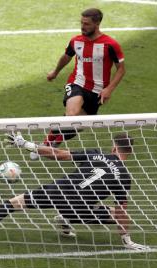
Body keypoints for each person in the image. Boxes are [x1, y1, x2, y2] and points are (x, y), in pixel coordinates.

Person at [0, 132, 149, 251]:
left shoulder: (96, 154)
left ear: (113, 148)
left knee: (14, 203)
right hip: (78, 206)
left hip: (58, 190)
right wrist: (127, 240)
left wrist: (27, 145)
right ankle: (65, 218)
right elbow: (122, 213)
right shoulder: (124, 177)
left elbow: (58, 154)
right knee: (116, 213)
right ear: (128, 153)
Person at [31, 8, 126, 160]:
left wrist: (109, 89)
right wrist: (55, 72)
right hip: (77, 83)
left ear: (97, 23)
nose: (82, 27)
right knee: (72, 115)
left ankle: (57, 140)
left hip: (97, 91)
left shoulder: (110, 45)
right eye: (81, 23)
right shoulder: (76, 41)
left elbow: (121, 69)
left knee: (77, 125)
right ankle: (45, 145)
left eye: (86, 24)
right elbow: (66, 57)